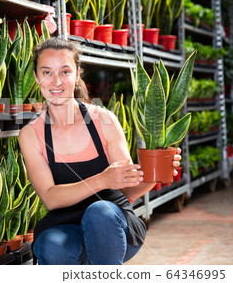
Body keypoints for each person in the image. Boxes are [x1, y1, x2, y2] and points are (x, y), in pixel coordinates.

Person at [18, 38, 182, 265]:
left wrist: (157, 172)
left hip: (112, 225)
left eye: (65, 72)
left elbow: (128, 189)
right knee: (51, 243)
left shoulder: (103, 120)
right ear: (36, 78)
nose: (56, 81)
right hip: (65, 226)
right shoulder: (31, 134)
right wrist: (103, 179)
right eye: (47, 72)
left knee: (100, 212)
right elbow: (51, 198)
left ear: (77, 75)